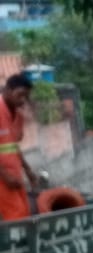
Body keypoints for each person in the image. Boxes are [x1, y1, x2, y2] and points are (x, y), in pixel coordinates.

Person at [0, 74, 38, 221]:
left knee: (26, 211)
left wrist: (28, 170)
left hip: (14, 175)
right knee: (17, 216)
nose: (23, 100)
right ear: (8, 90)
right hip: (3, 177)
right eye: (20, 94)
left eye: (26, 96)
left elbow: (12, 146)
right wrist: (5, 175)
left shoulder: (18, 115)